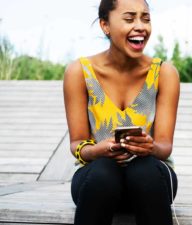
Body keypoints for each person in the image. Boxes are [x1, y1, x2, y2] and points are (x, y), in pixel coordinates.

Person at [63, 0, 180, 224]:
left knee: (143, 169)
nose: (140, 26)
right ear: (105, 25)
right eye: (129, 19)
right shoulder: (79, 71)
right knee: (103, 172)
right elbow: (76, 143)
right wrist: (97, 151)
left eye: (145, 19)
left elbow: (164, 147)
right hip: (96, 182)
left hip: (152, 181)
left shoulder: (165, 73)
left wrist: (150, 147)